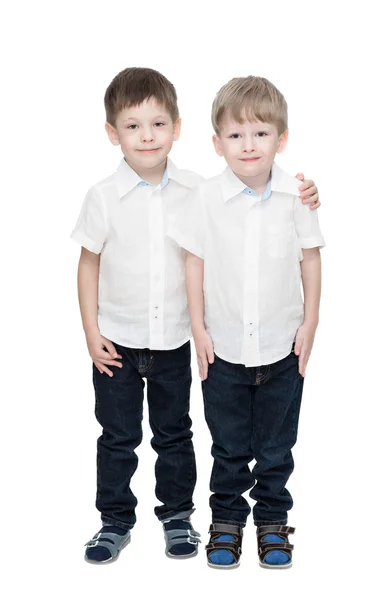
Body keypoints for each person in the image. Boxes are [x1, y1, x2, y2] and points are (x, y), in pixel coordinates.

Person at [71, 67, 321, 565]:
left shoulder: (197, 188)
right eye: (133, 126)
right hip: (119, 338)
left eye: (158, 124)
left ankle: (179, 516)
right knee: (117, 436)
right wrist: (90, 329)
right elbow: (90, 261)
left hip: (180, 341)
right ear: (111, 133)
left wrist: (306, 191)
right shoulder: (106, 195)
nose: (147, 136)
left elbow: (259, 195)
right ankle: (114, 521)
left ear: (178, 129)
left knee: (176, 433)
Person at [168, 75, 325, 569]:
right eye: (235, 135)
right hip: (225, 348)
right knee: (229, 446)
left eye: (260, 133)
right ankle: (227, 520)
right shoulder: (205, 198)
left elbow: (310, 258)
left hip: (284, 347)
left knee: (278, 447)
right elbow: (193, 261)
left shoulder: (297, 195)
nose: (248, 145)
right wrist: (199, 329)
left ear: (282, 139)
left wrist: (311, 322)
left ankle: (273, 522)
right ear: (217, 144)